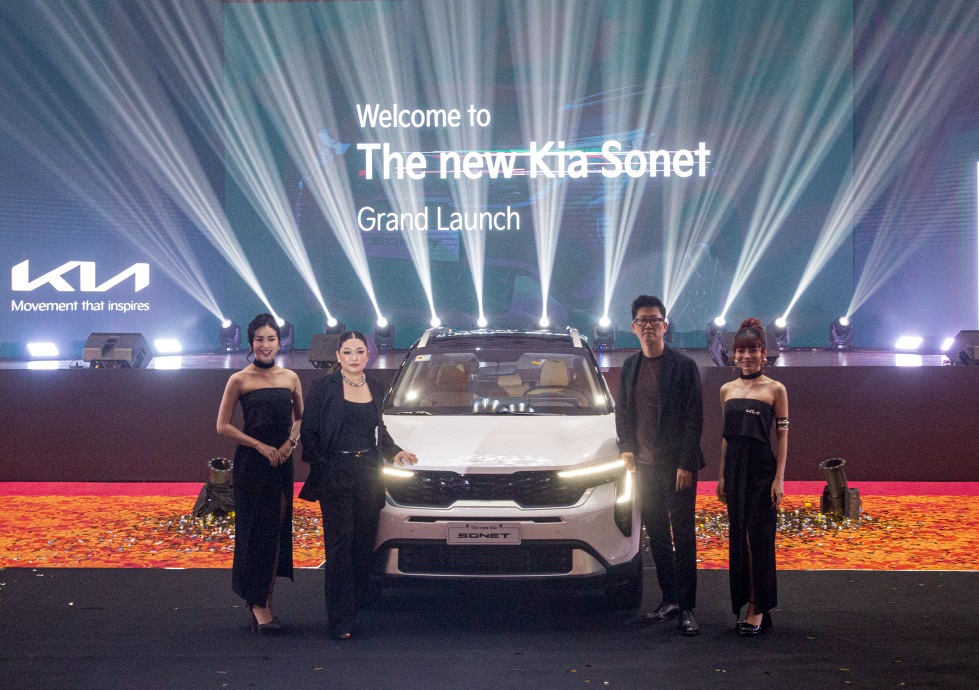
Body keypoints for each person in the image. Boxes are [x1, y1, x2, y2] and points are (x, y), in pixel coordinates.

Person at [299, 331, 417, 640]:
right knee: (340, 546)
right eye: (348, 351)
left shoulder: (375, 386)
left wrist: (395, 451)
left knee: (363, 544)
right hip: (336, 474)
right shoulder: (324, 387)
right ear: (338, 356)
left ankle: (355, 606)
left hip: (369, 474)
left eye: (360, 351)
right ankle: (339, 619)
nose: (354, 357)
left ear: (368, 355)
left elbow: (378, 429)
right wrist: (324, 467)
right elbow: (309, 433)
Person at [617, 295, 705, 636]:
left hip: (677, 468)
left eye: (655, 320)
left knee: (683, 536)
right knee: (657, 536)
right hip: (644, 467)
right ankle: (669, 600)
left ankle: (687, 607)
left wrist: (686, 463)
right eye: (643, 321)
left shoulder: (683, 366)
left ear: (665, 326)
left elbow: (694, 418)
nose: (649, 326)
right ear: (633, 327)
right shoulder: (630, 366)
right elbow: (624, 412)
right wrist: (626, 448)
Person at [217, 313, 303, 634]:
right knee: (255, 530)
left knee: (276, 530)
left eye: (271, 339)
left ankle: (266, 599)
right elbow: (222, 425)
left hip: (281, 462)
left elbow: (300, 419)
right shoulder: (239, 379)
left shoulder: (290, 377)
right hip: (252, 465)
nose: (265, 345)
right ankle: (257, 604)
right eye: (259, 339)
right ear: (251, 343)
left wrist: (289, 444)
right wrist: (259, 446)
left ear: (280, 342)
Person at [716, 318, 788, 637]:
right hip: (733, 472)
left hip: (761, 471)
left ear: (763, 353)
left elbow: (783, 437)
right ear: (734, 354)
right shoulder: (726, 390)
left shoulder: (775, 389)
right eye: (741, 350)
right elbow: (726, 438)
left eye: (753, 350)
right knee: (738, 539)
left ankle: (759, 607)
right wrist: (721, 476)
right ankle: (750, 602)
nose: (746, 356)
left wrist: (779, 479)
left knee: (757, 539)